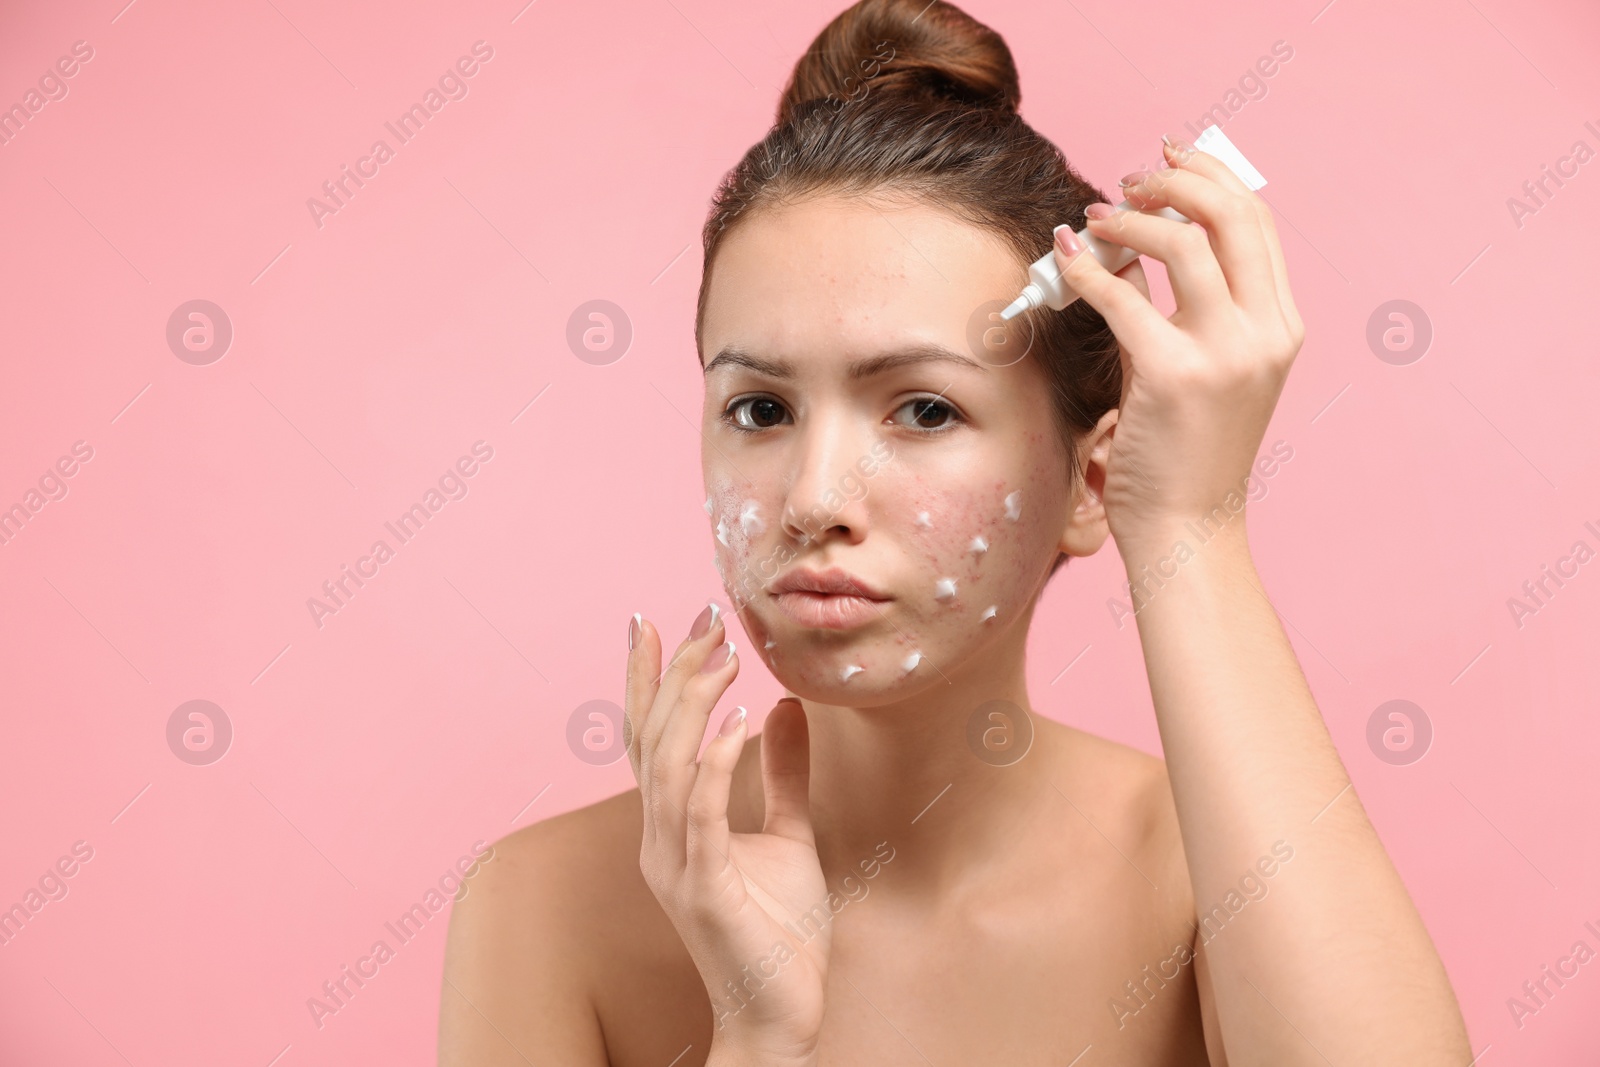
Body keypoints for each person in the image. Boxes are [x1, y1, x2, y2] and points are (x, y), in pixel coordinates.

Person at [439, 1, 1471, 1063]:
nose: (812, 496)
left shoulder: (1211, 878)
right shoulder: (548, 908)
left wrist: (1188, 523)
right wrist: (755, 1033)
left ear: (1090, 476)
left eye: (924, 408)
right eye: (760, 408)